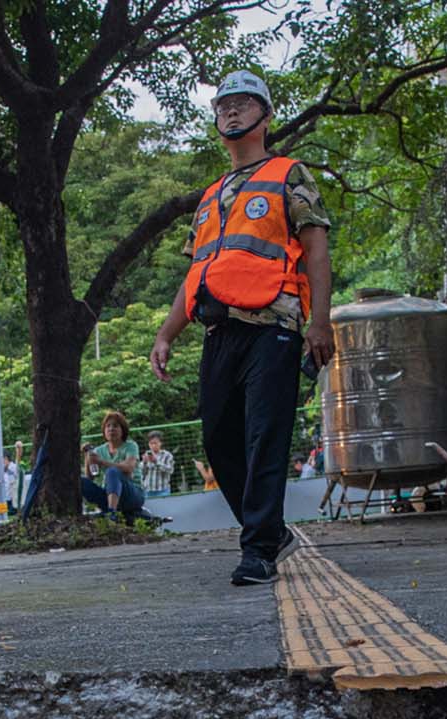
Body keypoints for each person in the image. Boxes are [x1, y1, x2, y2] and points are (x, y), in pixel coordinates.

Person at [150, 69, 334, 585]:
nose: (230, 111)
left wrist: (320, 322)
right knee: (216, 437)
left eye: (243, 102)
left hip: (274, 327)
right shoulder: (210, 197)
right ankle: (271, 533)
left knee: (265, 438)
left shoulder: (289, 175)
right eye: (223, 104)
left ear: (265, 115)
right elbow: (196, 273)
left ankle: (257, 550)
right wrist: (166, 333)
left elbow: (316, 249)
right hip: (218, 332)